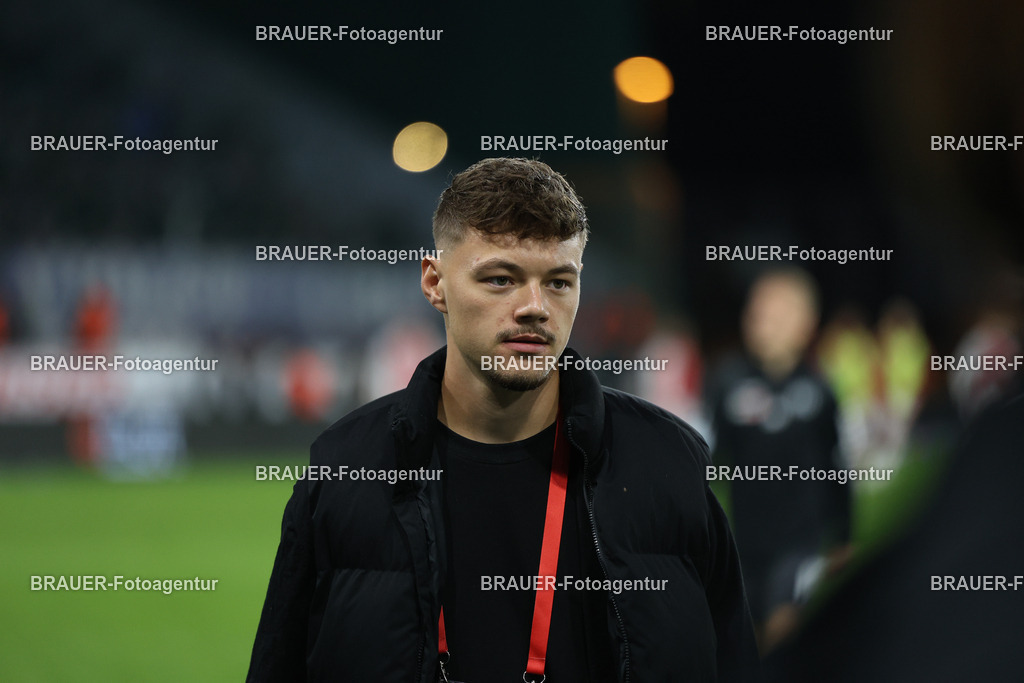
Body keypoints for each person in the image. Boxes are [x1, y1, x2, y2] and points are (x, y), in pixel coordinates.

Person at [247, 158, 759, 682]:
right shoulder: (344, 469)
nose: (534, 307)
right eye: (500, 279)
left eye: (559, 282)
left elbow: (734, 662)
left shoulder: (669, 462)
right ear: (434, 283)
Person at [708, 269, 851, 654]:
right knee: (748, 644)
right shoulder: (729, 383)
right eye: (755, 312)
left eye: (775, 314)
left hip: (799, 542)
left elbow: (835, 464)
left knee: (782, 630)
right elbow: (709, 459)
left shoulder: (819, 390)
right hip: (746, 542)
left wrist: (843, 536)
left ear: (806, 325)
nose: (760, 321)